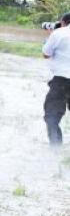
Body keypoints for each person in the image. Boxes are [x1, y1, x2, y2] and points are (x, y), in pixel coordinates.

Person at [41, 12, 70, 146]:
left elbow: (46, 54)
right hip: (62, 79)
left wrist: (50, 36)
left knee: (51, 115)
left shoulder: (59, 33)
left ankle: (56, 149)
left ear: (63, 22)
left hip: (62, 80)